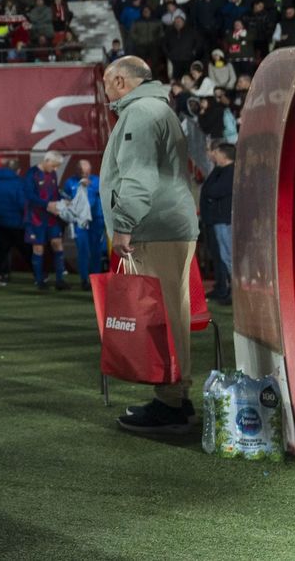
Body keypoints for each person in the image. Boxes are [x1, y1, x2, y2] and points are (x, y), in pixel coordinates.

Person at [100, 56, 200, 435]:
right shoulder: (156, 108)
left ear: (122, 81)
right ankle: (175, 397)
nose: (106, 91)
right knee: (172, 312)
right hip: (166, 225)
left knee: (164, 316)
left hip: (153, 227)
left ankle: (171, 403)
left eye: (108, 83)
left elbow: (138, 175)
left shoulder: (140, 112)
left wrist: (123, 226)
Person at [25, 152, 70, 291]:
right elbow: (29, 195)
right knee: (38, 248)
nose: (56, 169)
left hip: (51, 218)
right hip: (36, 218)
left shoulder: (53, 174)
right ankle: (40, 281)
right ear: (47, 160)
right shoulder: (32, 173)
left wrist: (62, 202)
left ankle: (60, 281)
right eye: (55, 166)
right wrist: (47, 205)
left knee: (57, 244)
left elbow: (55, 192)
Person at [58, 158, 105, 290]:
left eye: (86, 172)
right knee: (83, 250)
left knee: (96, 250)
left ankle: (95, 279)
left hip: (96, 220)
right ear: (77, 170)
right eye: (81, 171)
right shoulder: (70, 182)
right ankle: (84, 279)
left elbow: (106, 195)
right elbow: (65, 199)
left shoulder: (97, 181)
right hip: (79, 221)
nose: (84, 174)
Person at [199, 140, 234, 305]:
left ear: (224, 155)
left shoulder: (230, 171)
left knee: (227, 257)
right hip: (217, 220)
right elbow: (208, 190)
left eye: (217, 153)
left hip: (223, 220)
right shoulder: (221, 170)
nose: (214, 155)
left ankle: (231, 292)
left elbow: (212, 191)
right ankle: (225, 289)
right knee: (222, 256)